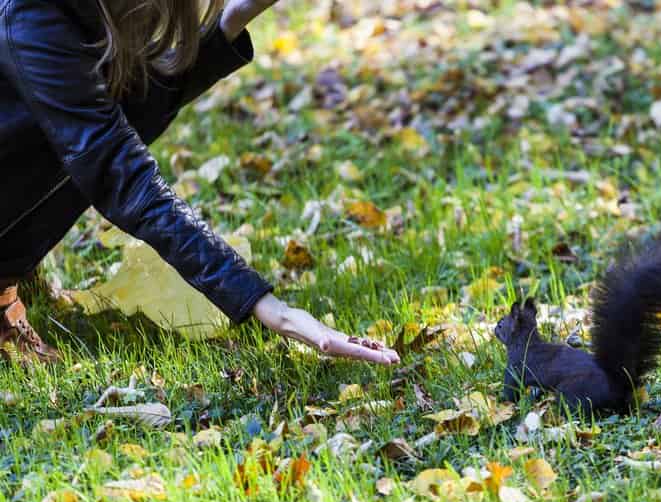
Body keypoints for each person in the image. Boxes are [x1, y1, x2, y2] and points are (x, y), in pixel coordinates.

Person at [0, 0, 400, 366]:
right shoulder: (31, 15)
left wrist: (233, 19)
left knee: (87, 115)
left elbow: (130, 112)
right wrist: (269, 308)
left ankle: (18, 267)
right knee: (90, 139)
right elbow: (116, 168)